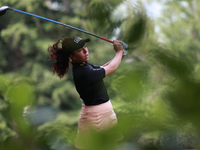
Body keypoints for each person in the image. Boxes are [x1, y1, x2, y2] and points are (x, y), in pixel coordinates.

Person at [48, 36, 123, 149]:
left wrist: (119, 56)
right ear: (72, 56)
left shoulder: (84, 65)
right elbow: (111, 68)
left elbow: (102, 68)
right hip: (95, 118)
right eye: (80, 50)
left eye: (85, 47)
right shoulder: (83, 72)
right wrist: (119, 51)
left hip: (103, 114)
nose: (85, 51)